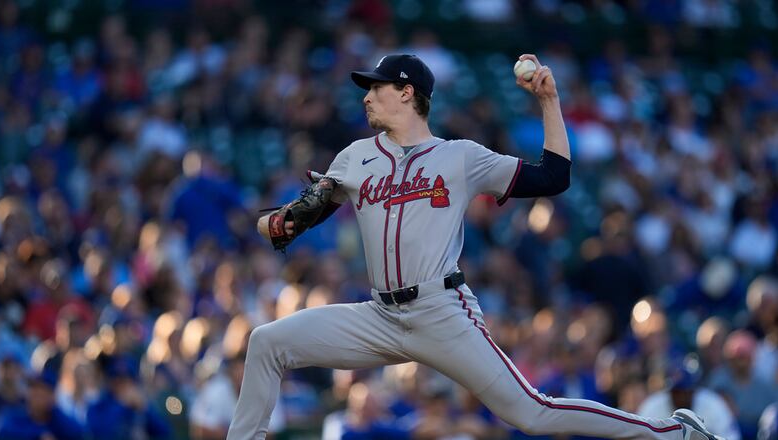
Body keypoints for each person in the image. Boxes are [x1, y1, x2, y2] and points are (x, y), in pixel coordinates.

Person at [228, 53, 722, 440]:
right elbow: (299, 218)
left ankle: (674, 433)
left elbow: (555, 177)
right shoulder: (355, 157)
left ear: (406, 93)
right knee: (267, 342)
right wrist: (280, 223)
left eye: (375, 87)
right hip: (377, 316)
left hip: (442, 311)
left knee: (532, 414)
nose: (366, 96)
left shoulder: (460, 157)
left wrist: (548, 102)